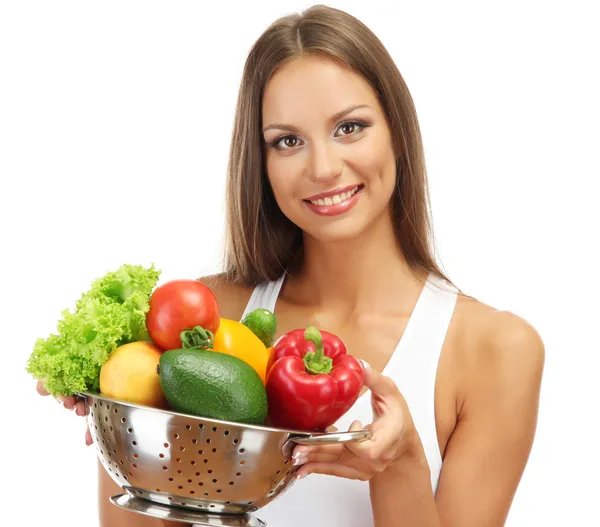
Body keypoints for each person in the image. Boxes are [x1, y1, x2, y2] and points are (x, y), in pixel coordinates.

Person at [37, 5, 545, 526]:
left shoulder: (494, 352)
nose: (323, 168)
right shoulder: (206, 324)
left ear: (397, 128)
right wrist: (122, 430)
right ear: (260, 163)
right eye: (287, 141)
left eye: (350, 127)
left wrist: (400, 464)